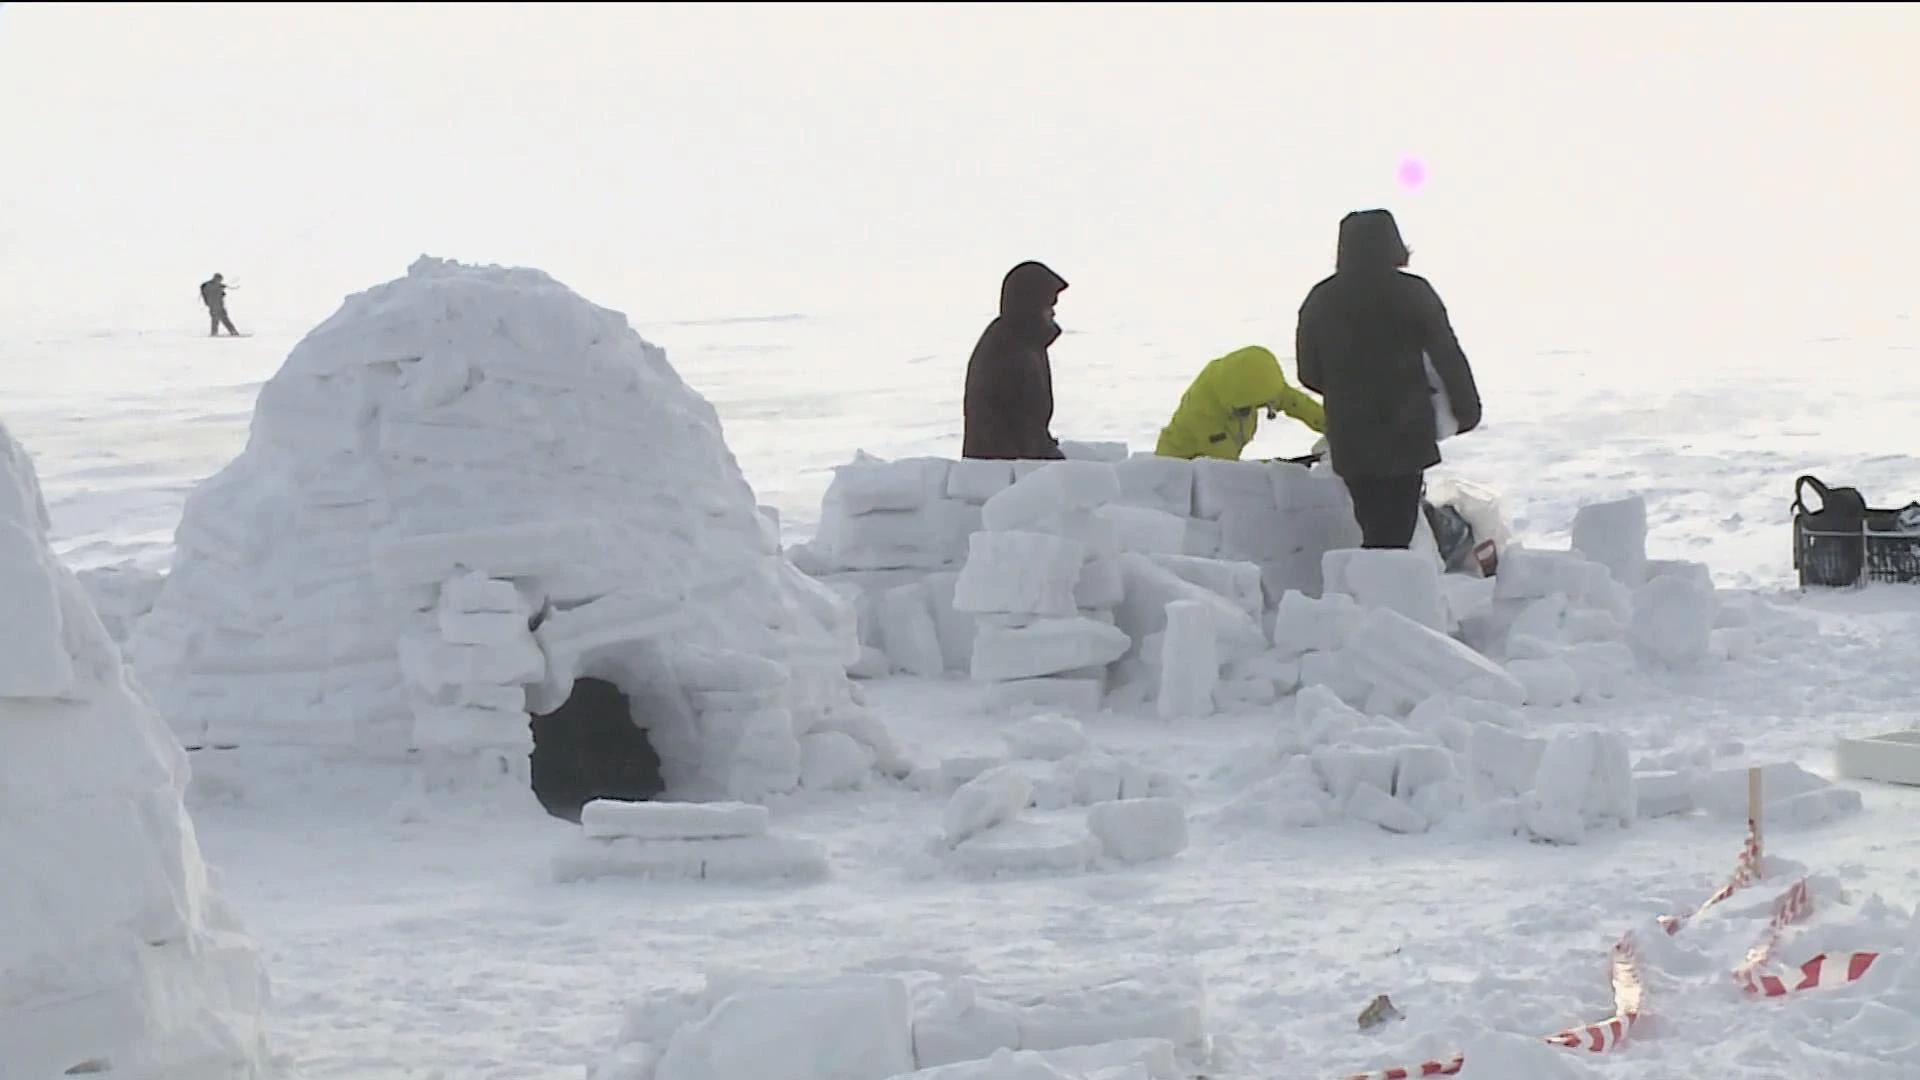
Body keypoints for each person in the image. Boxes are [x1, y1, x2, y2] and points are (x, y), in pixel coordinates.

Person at [1294, 209, 1482, 549]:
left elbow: (1308, 372)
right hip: (1405, 432)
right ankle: (1382, 595)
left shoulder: (1319, 299)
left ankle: (1373, 591)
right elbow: (1447, 355)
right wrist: (1467, 410)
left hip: (1350, 434)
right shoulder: (1414, 292)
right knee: (1396, 532)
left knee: (1374, 526)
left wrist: (1346, 389)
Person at [962, 260, 1070, 461]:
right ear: (1031, 305)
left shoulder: (1027, 343)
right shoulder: (1006, 350)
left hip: (1018, 460)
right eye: (1048, 305)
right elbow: (1012, 425)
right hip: (1001, 467)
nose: (1053, 312)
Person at [1154, 345, 1325, 461]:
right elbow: (1225, 465)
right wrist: (1274, 469)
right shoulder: (1202, 412)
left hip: (1219, 458)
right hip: (1181, 467)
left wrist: (1332, 426)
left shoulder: (1252, 381)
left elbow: (1295, 403)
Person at [200, 273, 240, 337]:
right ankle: (231, 332)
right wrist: (220, 288)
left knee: (219, 320)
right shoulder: (210, 285)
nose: (220, 281)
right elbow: (213, 292)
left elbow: (218, 294)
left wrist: (222, 290)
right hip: (215, 306)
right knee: (220, 320)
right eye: (220, 280)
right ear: (216, 278)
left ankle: (216, 333)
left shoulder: (212, 285)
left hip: (216, 306)